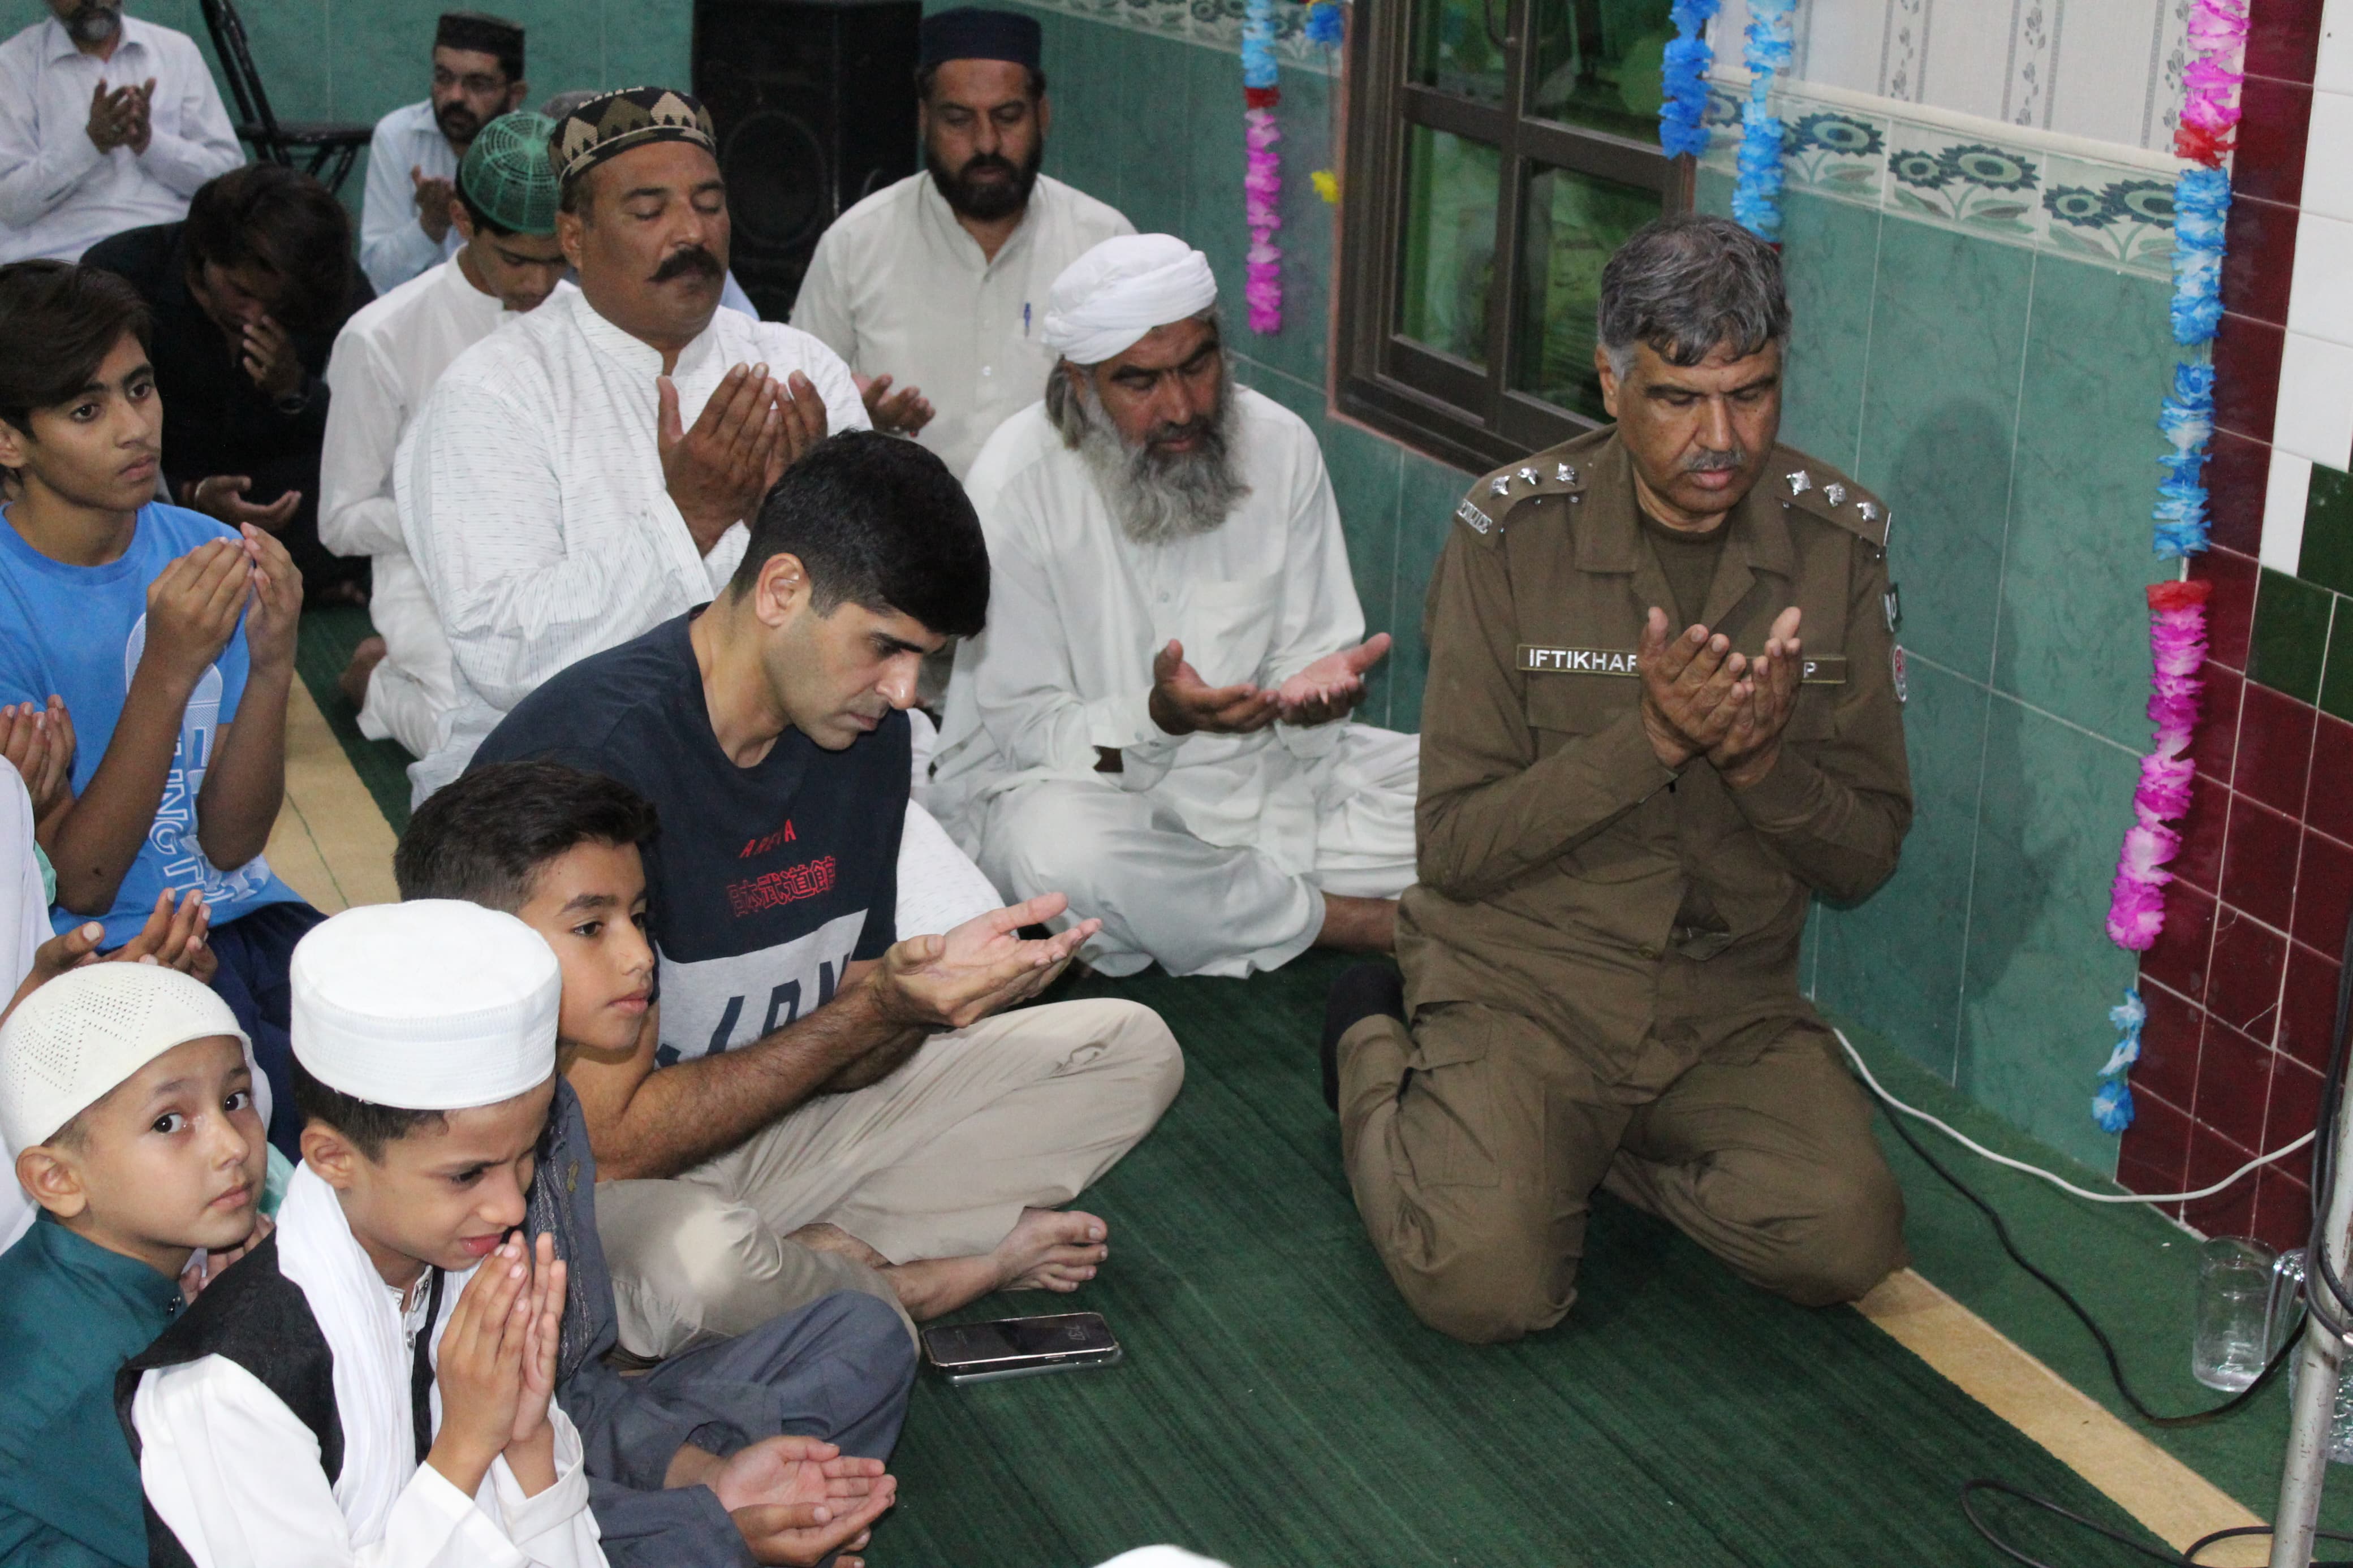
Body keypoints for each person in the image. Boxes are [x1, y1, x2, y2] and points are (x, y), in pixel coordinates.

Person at [1326, 214, 1913, 1345]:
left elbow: (1866, 857)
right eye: (1679, 398)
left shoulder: (1838, 544)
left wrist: (1758, 763)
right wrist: (1648, 741)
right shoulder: (1510, 535)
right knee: (1484, 1288)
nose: (1721, 438)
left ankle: (1579, 1152)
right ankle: (1368, 1045)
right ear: (1609, 383)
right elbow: (1454, 848)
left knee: (1847, 1239)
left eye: (1751, 394)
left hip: (1724, 1002)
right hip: (1528, 981)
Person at [470, 431, 1184, 1359]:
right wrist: (875, 1010)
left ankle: (799, 1272)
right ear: (781, 591)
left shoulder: (865, 740)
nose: (905, 692)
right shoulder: (599, 758)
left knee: (1128, 1049)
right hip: (584, 1183)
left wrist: (920, 1001)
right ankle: (911, 1281)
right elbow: (609, 1142)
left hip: (771, 1140)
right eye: (885, 648)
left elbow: (843, 1056)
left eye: (926, 660)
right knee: (700, 1262)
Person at [398, 759, 913, 1568]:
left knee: (865, 1336)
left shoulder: (558, 1111)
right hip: (458, 1484)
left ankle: (727, 1525)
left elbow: (578, 1386)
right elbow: (443, 1472)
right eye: (591, 927)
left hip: (566, 1435)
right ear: (480, 947)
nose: (641, 955)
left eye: (639, 918)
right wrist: (704, 1520)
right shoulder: (421, 1144)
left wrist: (704, 1474)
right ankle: (722, 1539)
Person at [929, 234, 1417, 979]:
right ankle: (1350, 921)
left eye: (1197, 365)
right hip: (1088, 786)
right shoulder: (1014, 487)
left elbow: (1309, 657)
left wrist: (1307, 702)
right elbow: (1029, 734)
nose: (1183, 406)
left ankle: (1227, 908)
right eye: (1141, 383)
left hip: (1267, 780)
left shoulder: (1281, 447)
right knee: (1057, 852)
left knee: (1469, 793)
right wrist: (1158, 719)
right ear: (1081, 384)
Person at [398, 86, 864, 804]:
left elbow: (885, 608)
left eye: (709, 205)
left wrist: (798, 528)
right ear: (574, 239)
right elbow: (503, 656)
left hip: (789, 768)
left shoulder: (801, 370)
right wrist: (687, 521)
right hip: (557, 787)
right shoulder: (492, 392)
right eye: (649, 212)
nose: (692, 233)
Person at [123, 901, 607, 1565]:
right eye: (468, 1174)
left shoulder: (463, 1273)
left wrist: (526, 1440)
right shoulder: (229, 1388)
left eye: (528, 1156)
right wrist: (465, 1447)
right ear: (332, 1158)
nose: (509, 1207)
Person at [0, 259, 321, 1157]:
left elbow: (234, 843)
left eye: (140, 389)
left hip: (246, 914)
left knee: (403, 1076)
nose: (135, 427)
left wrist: (272, 663)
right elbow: (81, 883)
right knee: (286, 1140)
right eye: (86, 410)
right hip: (105, 951)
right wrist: (166, 671)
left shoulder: (206, 549)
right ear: (9, 442)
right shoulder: (9, 606)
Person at [0, 964, 268, 1568]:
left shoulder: (118, 1284)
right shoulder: (77, 1382)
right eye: (168, 1122)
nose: (232, 1145)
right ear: (57, 1179)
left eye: (235, 1099)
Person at [792, 6, 1133, 479]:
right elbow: (796, 411)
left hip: (1059, 522)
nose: (987, 143)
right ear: (924, 120)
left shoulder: (1106, 245)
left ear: (1043, 116)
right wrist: (854, 420)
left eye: (1008, 117)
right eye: (958, 120)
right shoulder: (855, 245)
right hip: (899, 518)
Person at [324, 111, 568, 761]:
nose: (539, 284)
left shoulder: (586, 316)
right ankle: (379, 684)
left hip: (568, 571)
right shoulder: (381, 336)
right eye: (517, 259)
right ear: (462, 221)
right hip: (430, 580)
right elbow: (340, 522)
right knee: (492, 758)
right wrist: (457, 514)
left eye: (556, 261)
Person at [83, 163, 376, 604]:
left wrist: (294, 389)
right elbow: (87, 422)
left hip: (284, 484)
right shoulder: (123, 275)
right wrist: (191, 494)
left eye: (279, 303)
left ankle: (269, 578)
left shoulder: (325, 281)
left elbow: (370, 418)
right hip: (156, 488)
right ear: (205, 257)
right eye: (242, 292)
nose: (257, 314)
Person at [0, 0, 241, 266]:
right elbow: (9, 205)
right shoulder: (11, 66)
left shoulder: (176, 52)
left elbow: (230, 183)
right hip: (67, 259)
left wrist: (150, 144)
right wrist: (90, 144)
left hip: (171, 251)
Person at [359, 12, 529, 296]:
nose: (455, 97)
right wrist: (430, 225)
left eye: (477, 84)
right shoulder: (397, 136)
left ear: (515, 95)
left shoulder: (533, 151)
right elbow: (377, 276)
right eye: (444, 78)